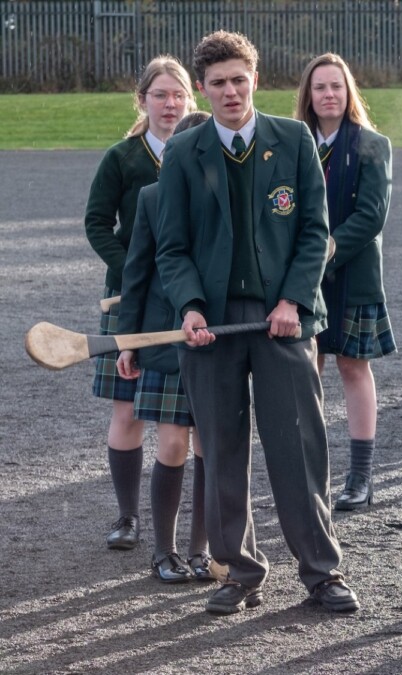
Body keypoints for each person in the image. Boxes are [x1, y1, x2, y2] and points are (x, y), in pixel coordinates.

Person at [156, 30, 358, 615]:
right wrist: (191, 306)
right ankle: (239, 571)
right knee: (221, 451)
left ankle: (322, 572)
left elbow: (315, 231)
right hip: (212, 327)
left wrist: (293, 300)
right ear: (202, 88)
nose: (231, 92)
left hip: (282, 321)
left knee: (298, 447)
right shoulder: (183, 153)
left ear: (256, 78)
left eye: (239, 80)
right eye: (218, 82)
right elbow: (172, 248)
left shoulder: (293, 140)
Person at [84, 54, 195, 551]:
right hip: (129, 298)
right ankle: (127, 517)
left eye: (178, 95)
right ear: (142, 99)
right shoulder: (123, 157)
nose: (170, 104)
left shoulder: (201, 151)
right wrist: (134, 270)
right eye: (160, 95)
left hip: (183, 300)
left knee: (184, 418)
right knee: (127, 411)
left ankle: (192, 530)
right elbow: (96, 223)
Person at [115, 110, 213, 583]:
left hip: (216, 340)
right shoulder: (152, 198)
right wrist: (127, 342)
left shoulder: (230, 197)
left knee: (211, 446)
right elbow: (135, 276)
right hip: (165, 341)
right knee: (173, 443)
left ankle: (202, 550)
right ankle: (163, 551)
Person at [295, 53, 395, 509]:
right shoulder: (294, 143)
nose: (329, 94)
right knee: (306, 369)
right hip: (303, 279)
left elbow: (372, 216)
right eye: (320, 87)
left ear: (348, 90)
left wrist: (326, 251)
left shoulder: (373, 144)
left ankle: (360, 477)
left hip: (354, 276)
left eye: (336, 85)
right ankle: (309, 473)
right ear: (309, 95)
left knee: (353, 368)